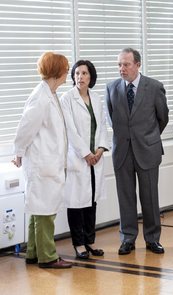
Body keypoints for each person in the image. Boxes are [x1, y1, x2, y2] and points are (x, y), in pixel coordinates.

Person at [12, 51, 72, 269]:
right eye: (66, 68)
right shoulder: (41, 97)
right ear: (57, 71)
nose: (68, 73)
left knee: (38, 209)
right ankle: (48, 257)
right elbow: (26, 127)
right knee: (44, 211)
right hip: (42, 163)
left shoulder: (50, 94)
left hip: (48, 161)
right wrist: (18, 151)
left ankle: (33, 253)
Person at [106, 48, 169, 255]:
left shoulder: (154, 87)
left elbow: (163, 118)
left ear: (138, 64)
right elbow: (112, 118)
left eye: (126, 64)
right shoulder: (111, 88)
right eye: (119, 65)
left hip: (147, 150)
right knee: (125, 197)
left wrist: (148, 137)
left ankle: (152, 239)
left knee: (150, 197)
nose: (122, 69)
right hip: (122, 151)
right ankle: (128, 239)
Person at [60, 60, 109, 259]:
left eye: (84, 73)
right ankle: (78, 244)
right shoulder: (66, 99)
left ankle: (90, 241)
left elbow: (102, 126)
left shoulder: (96, 98)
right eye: (77, 73)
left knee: (91, 202)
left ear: (91, 77)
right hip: (77, 158)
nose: (80, 77)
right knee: (76, 203)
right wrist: (86, 153)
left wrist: (99, 149)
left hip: (95, 160)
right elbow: (69, 130)